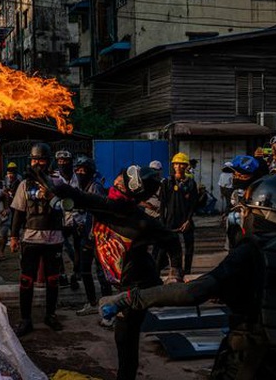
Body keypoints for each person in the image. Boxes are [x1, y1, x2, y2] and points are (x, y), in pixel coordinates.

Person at [103, 176, 276, 380]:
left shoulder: (251, 250)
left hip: (247, 360)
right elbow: (274, 296)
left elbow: (194, 292)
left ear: (258, 214)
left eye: (245, 211)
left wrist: (130, 298)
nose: (242, 217)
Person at [50, 165, 183, 380]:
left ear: (135, 191)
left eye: (128, 179)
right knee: (123, 339)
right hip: (124, 283)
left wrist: (175, 272)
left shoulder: (140, 221)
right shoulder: (106, 206)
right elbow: (76, 196)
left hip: (138, 288)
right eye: (123, 174)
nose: (119, 179)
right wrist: (48, 181)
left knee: (125, 340)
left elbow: (172, 240)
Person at [10, 142, 66, 336]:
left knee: (52, 279)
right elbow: (18, 212)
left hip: (54, 238)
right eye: (34, 160)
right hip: (31, 239)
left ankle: (50, 315)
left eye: (41, 159)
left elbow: (66, 206)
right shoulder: (24, 184)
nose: (37, 163)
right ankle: (26, 319)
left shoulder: (58, 182)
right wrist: (13, 236)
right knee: (26, 279)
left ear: (48, 161)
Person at [68, 155, 111, 317]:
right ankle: (92, 302)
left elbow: (99, 213)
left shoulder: (95, 187)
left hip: (97, 236)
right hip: (84, 235)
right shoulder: (80, 187)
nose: (80, 173)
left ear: (90, 172)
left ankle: (107, 303)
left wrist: (92, 230)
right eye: (77, 170)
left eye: (83, 170)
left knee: (101, 272)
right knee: (85, 270)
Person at [160, 152, 199, 274]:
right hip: (171, 220)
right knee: (170, 247)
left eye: (182, 164)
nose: (178, 166)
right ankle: (175, 269)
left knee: (189, 247)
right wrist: (163, 221)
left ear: (186, 166)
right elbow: (162, 204)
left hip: (186, 219)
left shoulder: (191, 183)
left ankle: (187, 271)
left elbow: (193, 204)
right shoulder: (167, 182)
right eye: (176, 164)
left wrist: (188, 220)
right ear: (173, 166)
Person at [54, 149, 80, 289]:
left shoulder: (79, 177)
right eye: (60, 161)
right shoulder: (54, 177)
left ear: (71, 162)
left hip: (78, 218)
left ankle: (76, 274)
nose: (62, 163)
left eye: (65, 161)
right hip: (60, 218)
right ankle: (62, 274)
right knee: (59, 246)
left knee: (78, 248)